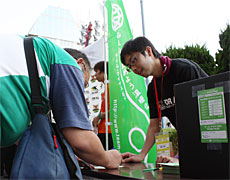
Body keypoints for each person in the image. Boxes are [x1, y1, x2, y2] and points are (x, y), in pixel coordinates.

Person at [0, 34, 121, 176]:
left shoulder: (34, 70)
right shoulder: (66, 62)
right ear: (79, 63)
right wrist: (108, 158)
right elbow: (81, 140)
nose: (79, 91)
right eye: (83, 84)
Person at [120, 36, 208, 164]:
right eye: (129, 66)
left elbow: (195, 118)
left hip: (214, 138)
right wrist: (142, 155)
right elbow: (154, 125)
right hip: (193, 148)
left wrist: (178, 157)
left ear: (149, 51)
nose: (133, 69)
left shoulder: (184, 70)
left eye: (134, 60)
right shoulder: (152, 89)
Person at [92, 61, 114, 150]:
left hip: (108, 130)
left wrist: (99, 116)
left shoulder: (111, 88)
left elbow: (115, 110)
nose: (95, 75)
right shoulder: (107, 87)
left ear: (104, 72)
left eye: (97, 71)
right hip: (103, 129)